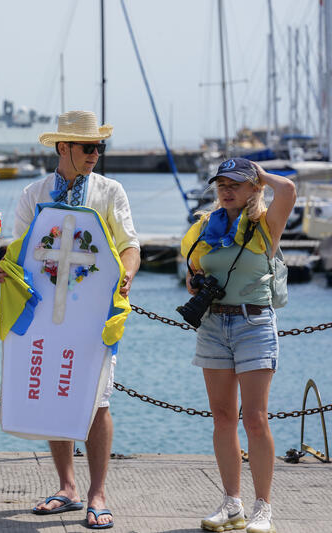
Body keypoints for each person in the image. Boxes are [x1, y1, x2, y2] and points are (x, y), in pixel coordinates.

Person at [0, 111, 140, 529]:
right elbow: (20, 249)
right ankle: (67, 486)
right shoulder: (34, 193)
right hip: (43, 309)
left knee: (98, 401)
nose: (96, 154)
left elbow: (129, 244)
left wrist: (127, 274)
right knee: (51, 392)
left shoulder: (111, 191)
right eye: (88, 147)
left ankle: (98, 493)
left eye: (100, 147)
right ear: (64, 148)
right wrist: (7, 268)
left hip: (95, 312)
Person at [181, 158, 295, 533]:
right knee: (223, 418)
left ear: (253, 189)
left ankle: (264, 508)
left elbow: (289, 190)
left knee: (255, 419)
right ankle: (232, 504)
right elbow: (193, 274)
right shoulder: (205, 227)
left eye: (236, 183)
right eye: (222, 184)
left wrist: (259, 175)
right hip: (213, 323)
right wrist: (194, 285)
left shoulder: (265, 226)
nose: (227, 189)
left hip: (254, 323)